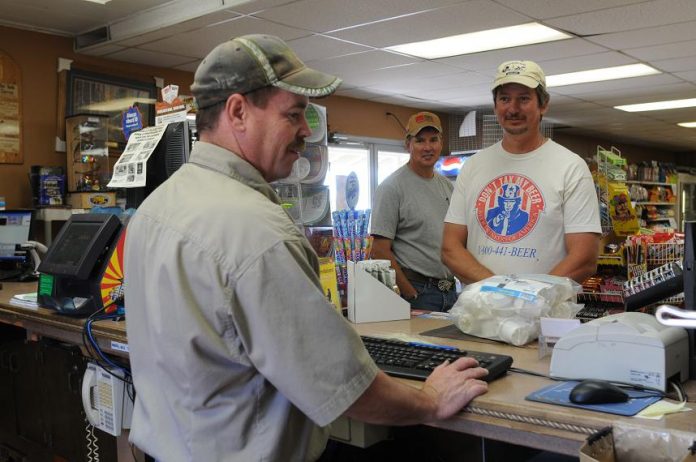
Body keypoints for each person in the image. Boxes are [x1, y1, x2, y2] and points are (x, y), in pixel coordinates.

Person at [124, 34, 488, 462]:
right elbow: (341, 385)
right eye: (294, 114)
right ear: (238, 111)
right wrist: (429, 399)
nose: (305, 131)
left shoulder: (154, 208)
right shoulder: (258, 230)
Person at [442, 60, 601, 284]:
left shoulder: (571, 167)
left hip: (544, 315)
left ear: (543, 105)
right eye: (505, 99)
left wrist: (525, 299)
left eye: (524, 99)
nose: (513, 109)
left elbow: (584, 258)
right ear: (495, 105)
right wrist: (501, 291)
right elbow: (451, 248)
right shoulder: (473, 166)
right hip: (481, 313)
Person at [370, 111, 457, 312]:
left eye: (433, 140)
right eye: (420, 141)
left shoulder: (447, 186)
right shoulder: (392, 187)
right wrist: (409, 292)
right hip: (418, 293)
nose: (428, 147)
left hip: (450, 292)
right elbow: (379, 250)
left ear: (441, 142)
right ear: (408, 144)